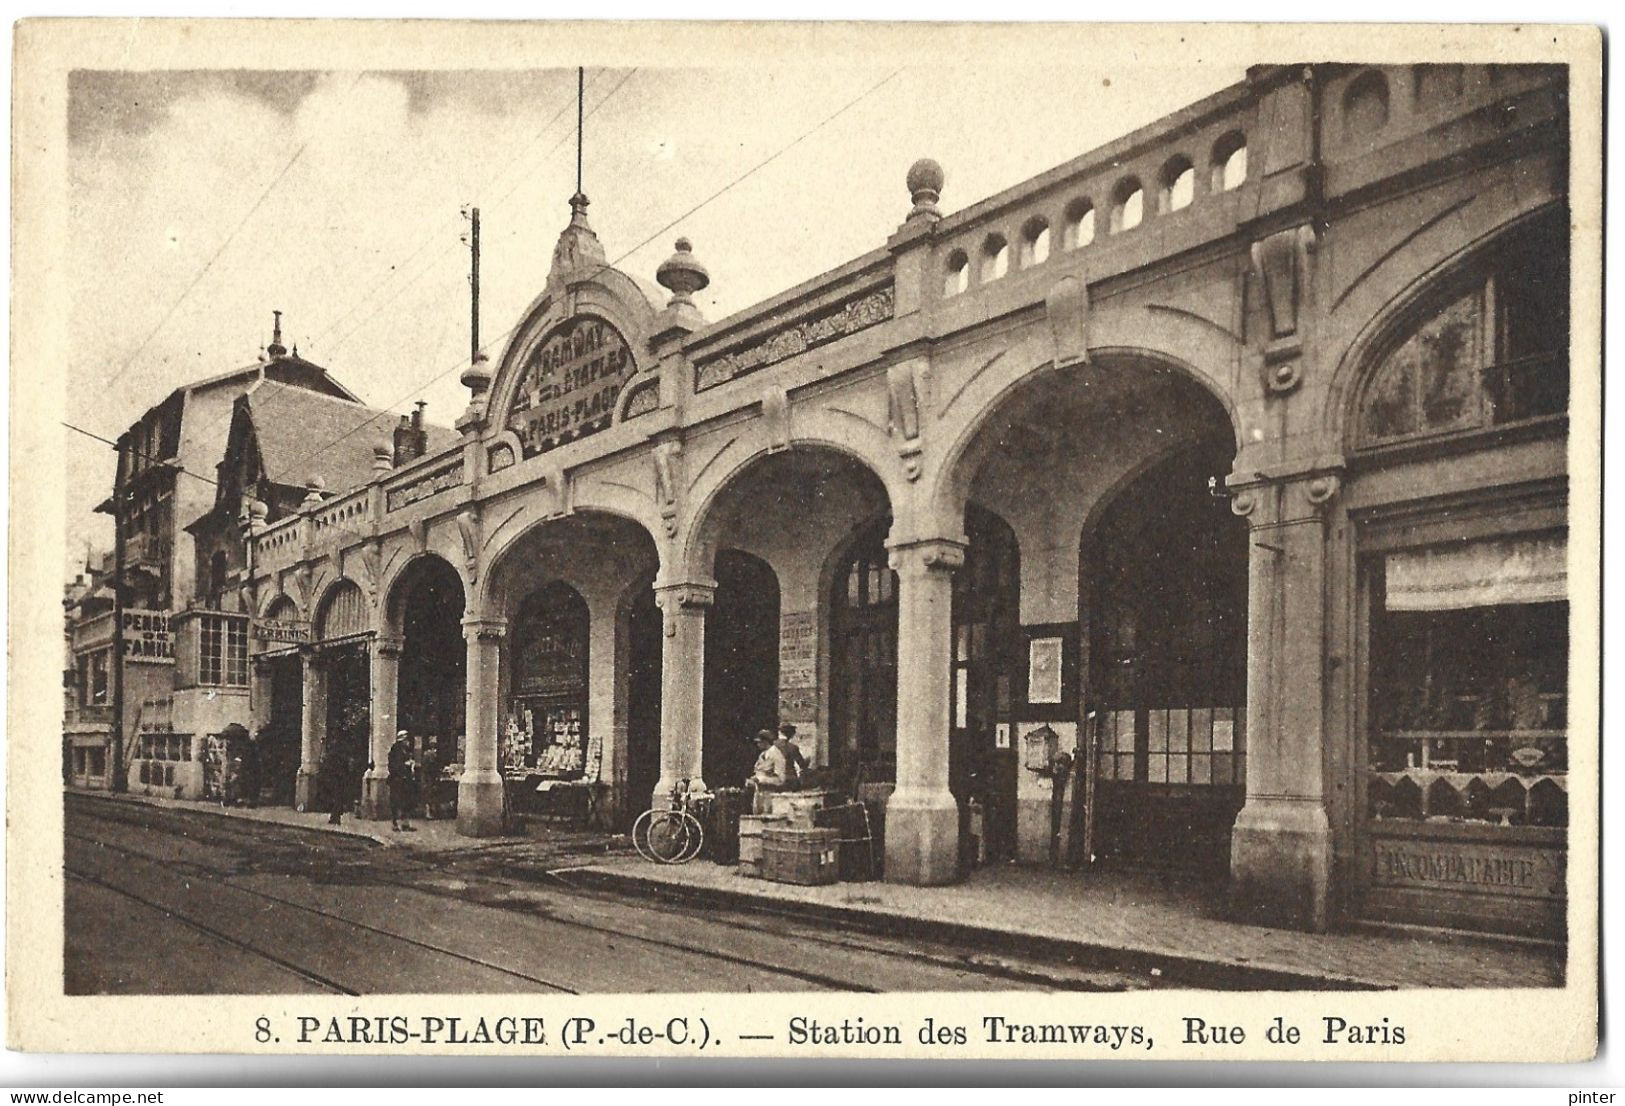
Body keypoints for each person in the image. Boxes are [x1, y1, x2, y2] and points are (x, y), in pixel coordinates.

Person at [746, 729, 789, 814]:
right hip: (759, 794)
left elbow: (781, 780)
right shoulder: (762, 755)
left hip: (771, 795)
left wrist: (761, 779)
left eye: (759, 742)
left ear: (766, 742)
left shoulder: (777, 756)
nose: (758, 745)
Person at [388, 730, 417, 832]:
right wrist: (405, 765)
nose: (407, 741)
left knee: (406, 801)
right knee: (396, 801)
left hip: (405, 779)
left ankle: (405, 824)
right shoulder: (395, 750)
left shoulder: (406, 750)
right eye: (406, 739)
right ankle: (395, 823)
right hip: (397, 779)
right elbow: (393, 765)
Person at [317, 745, 347, 825]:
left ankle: (335, 818)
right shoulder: (336, 758)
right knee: (337, 800)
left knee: (336, 799)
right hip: (337, 780)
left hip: (335, 781)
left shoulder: (332, 758)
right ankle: (335, 818)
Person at [776, 723, 809, 789]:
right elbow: (802, 765)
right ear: (791, 734)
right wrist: (808, 760)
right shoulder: (792, 747)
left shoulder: (772, 745)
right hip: (789, 780)